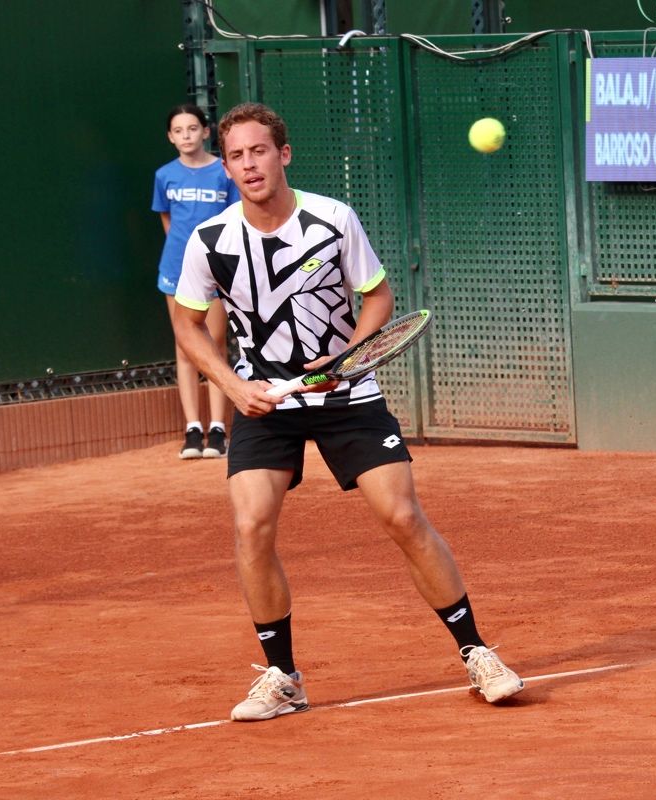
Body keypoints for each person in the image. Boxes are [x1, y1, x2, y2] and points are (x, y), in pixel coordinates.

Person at [171, 102, 524, 721]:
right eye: (236, 156)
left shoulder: (332, 219)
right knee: (252, 524)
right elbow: (188, 324)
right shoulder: (210, 240)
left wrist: (351, 358)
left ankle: (478, 653)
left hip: (345, 396)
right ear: (225, 168)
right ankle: (283, 677)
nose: (249, 164)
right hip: (263, 401)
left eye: (259, 151)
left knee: (402, 516)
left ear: (283, 155)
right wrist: (231, 385)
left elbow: (378, 296)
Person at [152, 104, 239, 459]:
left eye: (192, 128)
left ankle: (218, 428)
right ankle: (192, 429)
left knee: (215, 344)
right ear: (170, 137)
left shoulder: (222, 171)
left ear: (206, 132)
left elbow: (233, 219)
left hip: (216, 269)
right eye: (178, 130)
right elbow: (167, 221)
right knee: (185, 345)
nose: (186, 136)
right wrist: (182, 258)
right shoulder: (164, 175)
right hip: (175, 269)